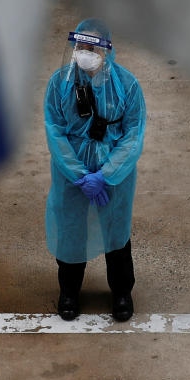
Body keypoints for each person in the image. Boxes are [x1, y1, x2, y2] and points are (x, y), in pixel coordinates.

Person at [43, 18, 146, 322]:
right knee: (71, 229)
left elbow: (133, 134)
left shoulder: (127, 85)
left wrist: (107, 174)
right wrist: (78, 174)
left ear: (107, 51)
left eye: (90, 47)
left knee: (116, 231)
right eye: (80, 46)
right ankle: (69, 292)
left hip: (114, 172)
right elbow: (55, 131)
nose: (84, 53)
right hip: (71, 171)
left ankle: (122, 292)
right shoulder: (59, 83)